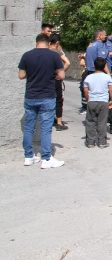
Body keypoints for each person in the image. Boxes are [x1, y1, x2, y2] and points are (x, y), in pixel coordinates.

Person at [18, 33, 65, 169]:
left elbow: (21, 75)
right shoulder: (54, 56)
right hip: (47, 96)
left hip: (30, 96)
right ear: (49, 43)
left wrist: (31, 73)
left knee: (28, 127)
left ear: (36, 42)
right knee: (45, 128)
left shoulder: (27, 55)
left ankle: (28, 156)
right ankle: (46, 158)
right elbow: (61, 75)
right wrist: (52, 74)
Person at [83, 29, 112, 134]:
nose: (105, 36)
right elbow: (101, 62)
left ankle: (94, 126)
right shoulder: (100, 46)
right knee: (107, 99)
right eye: (103, 35)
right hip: (99, 74)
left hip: (90, 74)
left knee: (95, 99)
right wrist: (108, 74)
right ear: (99, 36)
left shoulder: (90, 46)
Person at [83, 57, 112, 149]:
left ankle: (90, 142)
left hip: (92, 100)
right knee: (102, 122)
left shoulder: (88, 77)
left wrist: (88, 99)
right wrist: (111, 100)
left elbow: (85, 91)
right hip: (103, 101)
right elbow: (111, 90)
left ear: (94, 66)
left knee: (90, 121)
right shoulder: (107, 77)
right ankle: (102, 142)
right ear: (104, 66)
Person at [49, 34, 71, 131]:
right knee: (58, 100)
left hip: (47, 79)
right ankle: (59, 122)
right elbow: (68, 62)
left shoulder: (46, 51)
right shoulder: (57, 52)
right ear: (57, 42)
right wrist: (61, 72)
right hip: (56, 78)